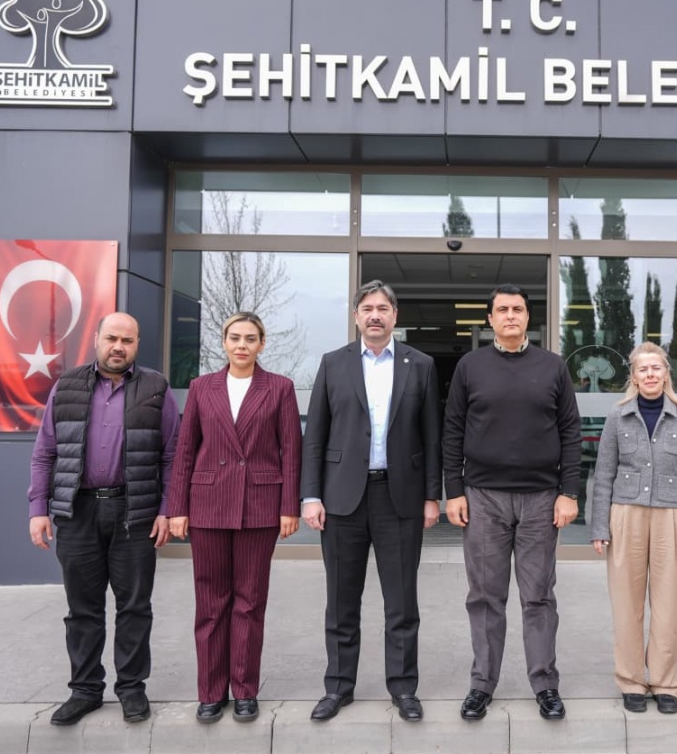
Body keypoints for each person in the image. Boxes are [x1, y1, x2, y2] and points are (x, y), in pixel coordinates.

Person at [28, 312, 180, 727]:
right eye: (112, 338)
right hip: (78, 512)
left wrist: (166, 508)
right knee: (83, 609)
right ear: (96, 339)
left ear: (137, 344)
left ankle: (131, 688)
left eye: (127, 340)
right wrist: (38, 508)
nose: (118, 347)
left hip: (135, 512)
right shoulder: (67, 386)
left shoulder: (156, 388)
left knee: (135, 607)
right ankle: (85, 690)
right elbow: (45, 452)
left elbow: (171, 455)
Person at [301, 280, 441, 723]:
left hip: (399, 498)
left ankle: (403, 688)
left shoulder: (420, 365)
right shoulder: (333, 363)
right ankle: (338, 687)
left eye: (383, 308)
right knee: (341, 601)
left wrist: (431, 496)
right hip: (341, 498)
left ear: (395, 316)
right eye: (367, 308)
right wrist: (311, 495)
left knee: (402, 604)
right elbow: (315, 435)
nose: (375, 315)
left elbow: (432, 437)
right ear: (356, 316)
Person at [443, 284, 582, 722]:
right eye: (501, 309)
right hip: (483, 498)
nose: (510, 316)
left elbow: (570, 431)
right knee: (485, 596)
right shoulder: (470, 367)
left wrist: (569, 492)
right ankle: (482, 684)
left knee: (538, 596)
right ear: (490, 319)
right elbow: (452, 429)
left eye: (517, 309)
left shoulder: (553, 366)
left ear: (527, 317)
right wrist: (453, 490)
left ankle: (545, 684)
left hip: (541, 499)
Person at [166, 311, 301, 724]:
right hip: (208, 504)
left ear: (262, 344)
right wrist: (177, 508)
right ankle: (210, 692)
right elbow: (185, 451)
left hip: (260, 505)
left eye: (250, 338)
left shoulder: (279, 388)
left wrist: (289, 506)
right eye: (235, 337)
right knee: (210, 603)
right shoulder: (201, 387)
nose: (242, 345)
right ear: (223, 342)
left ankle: (244, 690)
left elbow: (291, 451)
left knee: (249, 602)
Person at [590, 342, 677, 714]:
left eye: (657, 368)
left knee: (668, 605)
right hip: (626, 515)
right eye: (643, 369)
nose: (651, 374)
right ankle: (631, 681)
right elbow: (603, 474)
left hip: (671, 517)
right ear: (634, 376)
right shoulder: (618, 416)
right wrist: (599, 526)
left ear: (666, 374)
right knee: (626, 604)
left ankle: (664, 682)